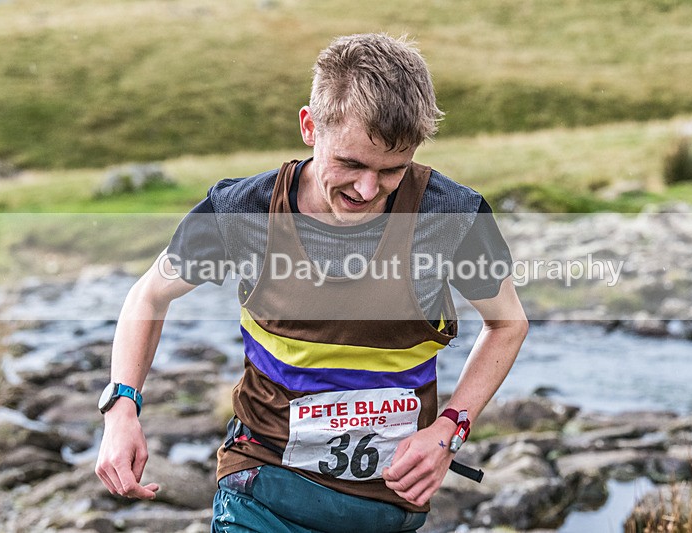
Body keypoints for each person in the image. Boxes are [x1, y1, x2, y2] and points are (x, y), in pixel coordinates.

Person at [95, 33, 528, 533]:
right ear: (309, 126)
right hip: (261, 493)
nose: (368, 190)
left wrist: (451, 428)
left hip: (388, 507)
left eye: (393, 170)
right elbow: (149, 294)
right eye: (351, 163)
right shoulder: (246, 211)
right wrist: (121, 407)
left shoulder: (448, 214)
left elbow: (507, 324)